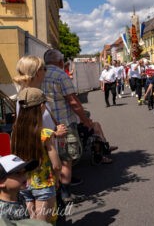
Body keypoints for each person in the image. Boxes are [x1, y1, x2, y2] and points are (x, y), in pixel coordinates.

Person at [42, 49, 116, 203]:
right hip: (63, 123)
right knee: (67, 157)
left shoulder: (39, 74)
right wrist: (85, 119)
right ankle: (65, 193)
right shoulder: (61, 75)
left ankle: (55, 189)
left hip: (45, 124)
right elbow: (73, 101)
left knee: (50, 157)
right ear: (60, 61)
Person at [11, 87, 62, 222]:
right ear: (41, 107)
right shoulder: (45, 133)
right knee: (43, 223)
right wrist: (56, 179)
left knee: (31, 221)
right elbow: (56, 165)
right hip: (44, 184)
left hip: (24, 183)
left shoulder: (15, 132)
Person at [0, 155, 38, 221]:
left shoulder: (19, 196)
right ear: (1, 183)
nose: (24, 176)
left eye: (25, 172)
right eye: (18, 173)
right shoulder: (2, 213)